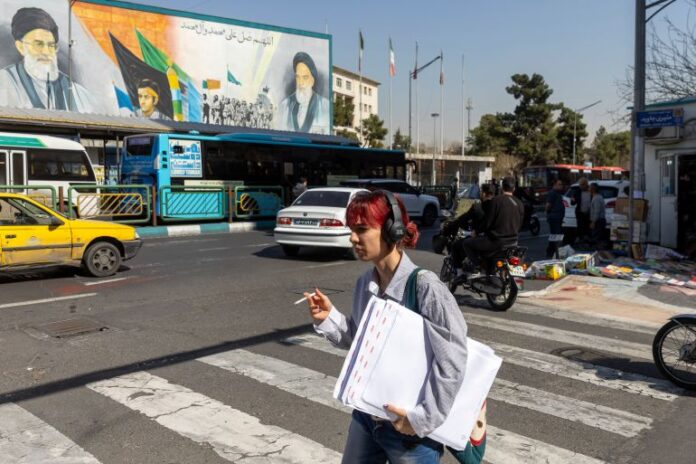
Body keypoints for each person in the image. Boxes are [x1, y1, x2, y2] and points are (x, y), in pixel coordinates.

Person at [304, 190, 468, 463]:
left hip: (409, 429)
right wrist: (328, 317)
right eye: (351, 229)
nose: (353, 238)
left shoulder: (426, 287)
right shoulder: (365, 284)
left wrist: (421, 420)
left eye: (362, 229)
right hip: (367, 417)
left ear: (393, 230)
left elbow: (452, 360)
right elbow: (360, 343)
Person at [0, 7, 94, 112]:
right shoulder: (5, 82)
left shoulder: (76, 92)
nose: (46, 52)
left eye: (51, 45)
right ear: (20, 47)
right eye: (38, 44)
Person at [461, 176, 524, 274]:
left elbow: (487, 222)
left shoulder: (496, 201)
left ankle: (478, 267)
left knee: (467, 243)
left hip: (495, 242)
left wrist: (476, 231)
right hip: (513, 242)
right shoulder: (519, 203)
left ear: (502, 187)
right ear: (514, 189)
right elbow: (520, 225)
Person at [275, 52, 330, 134]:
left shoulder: (325, 106)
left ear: (312, 80)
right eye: (298, 77)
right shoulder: (284, 105)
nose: (301, 83)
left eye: (305, 77)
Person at [447, 184, 495, 273]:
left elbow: (463, 219)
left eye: (481, 191)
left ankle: (461, 273)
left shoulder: (478, 207)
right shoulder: (498, 206)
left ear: (484, 193)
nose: (480, 193)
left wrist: (452, 225)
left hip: (482, 239)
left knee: (456, 246)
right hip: (495, 240)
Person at [545, 179, 565, 258]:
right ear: (555, 185)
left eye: (561, 184)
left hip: (558, 217)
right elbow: (548, 205)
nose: (561, 186)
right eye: (559, 184)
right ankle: (553, 252)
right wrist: (548, 213)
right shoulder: (552, 193)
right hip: (554, 218)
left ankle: (552, 251)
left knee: (555, 235)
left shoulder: (558, 193)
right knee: (556, 235)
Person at [570, 177, 591, 243]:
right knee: (580, 226)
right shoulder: (577, 192)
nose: (580, 186)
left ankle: (588, 238)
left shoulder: (590, 191)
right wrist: (572, 200)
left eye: (582, 185)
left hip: (589, 212)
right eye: (580, 185)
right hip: (580, 212)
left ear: (586, 184)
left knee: (588, 226)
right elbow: (573, 203)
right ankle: (580, 238)